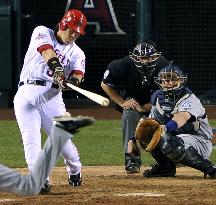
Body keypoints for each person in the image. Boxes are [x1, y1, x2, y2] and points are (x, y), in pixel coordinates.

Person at [13, 9, 87, 194]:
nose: (75, 34)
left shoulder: (78, 53)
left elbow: (78, 74)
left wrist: (72, 83)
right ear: (63, 24)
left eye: (78, 32)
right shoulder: (42, 31)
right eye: (72, 29)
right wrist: (58, 69)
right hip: (25, 91)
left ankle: (75, 169)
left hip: (51, 96)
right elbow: (46, 51)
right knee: (31, 139)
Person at [101, 40, 169, 174]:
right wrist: (121, 102)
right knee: (128, 115)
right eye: (141, 58)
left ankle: (166, 161)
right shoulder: (122, 64)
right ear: (133, 56)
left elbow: (169, 94)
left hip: (158, 104)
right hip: (133, 103)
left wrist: (146, 108)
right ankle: (132, 158)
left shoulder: (164, 66)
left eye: (148, 57)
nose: (144, 61)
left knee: (168, 122)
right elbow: (105, 84)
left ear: (156, 56)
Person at [143, 62, 216, 178]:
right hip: (176, 141)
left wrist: (166, 128)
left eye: (173, 79)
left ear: (181, 81)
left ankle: (210, 169)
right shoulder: (158, 99)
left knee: (169, 140)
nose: (169, 83)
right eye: (166, 80)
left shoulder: (189, 99)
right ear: (160, 82)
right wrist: (133, 139)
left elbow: (182, 117)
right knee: (149, 134)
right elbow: (150, 123)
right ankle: (165, 168)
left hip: (199, 142)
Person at [0, 115, 95, 195]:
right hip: (24, 97)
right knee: (30, 140)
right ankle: (41, 181)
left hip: (49, 99)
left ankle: (74, 170)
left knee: (66, 149)